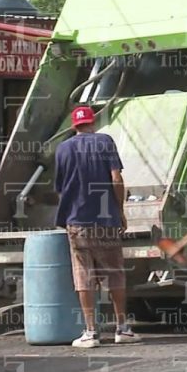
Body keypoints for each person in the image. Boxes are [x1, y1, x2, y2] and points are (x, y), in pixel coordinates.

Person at [54, 105, 141, 348]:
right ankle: (122, 329)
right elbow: (117, 178)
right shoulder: (105, 141)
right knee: (114, 273)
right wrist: (120, 211)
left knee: (84, 276)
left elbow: (60, 189)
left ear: (74, 126)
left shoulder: (63, 148)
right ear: (94, 122)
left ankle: (91, 332)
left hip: (77, 221)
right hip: (106, 221)